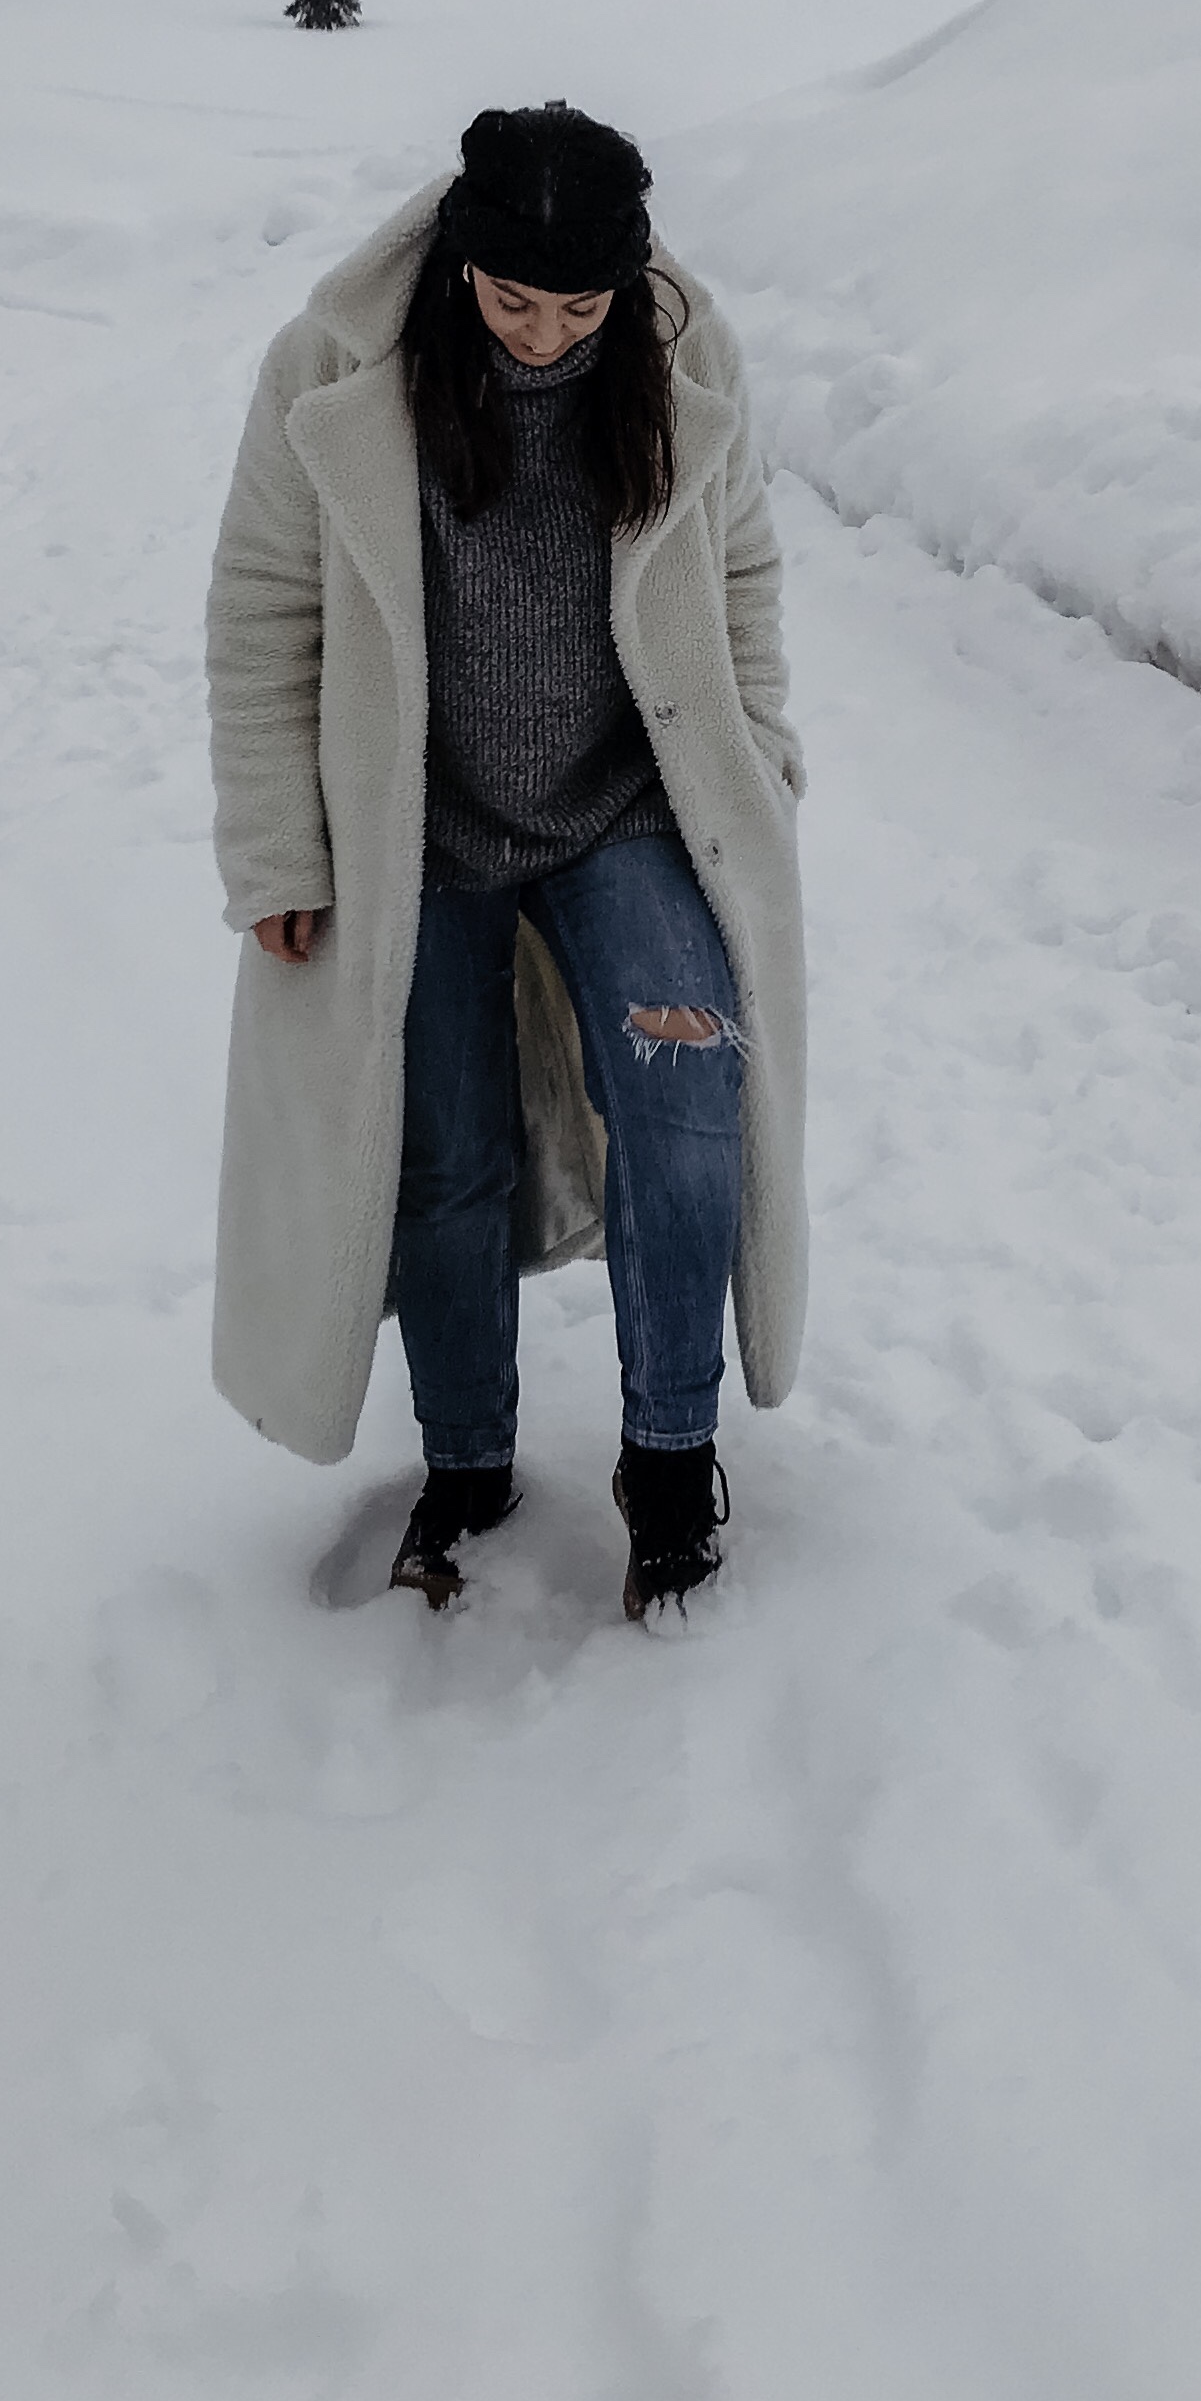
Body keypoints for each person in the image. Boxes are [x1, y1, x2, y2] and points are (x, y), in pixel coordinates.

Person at [203, 100, 808, 1619]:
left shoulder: (688, 360)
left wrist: (764, 753)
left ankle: (670, 1455)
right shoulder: (336, 371)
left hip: (631, 809)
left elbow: (740, 569)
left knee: (688, 1098)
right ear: (462, 261)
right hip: (419, 828)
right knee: (443, 1150)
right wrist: (278, 846)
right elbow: (264, 607)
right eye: (515, 300)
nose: (546, 337)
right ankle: (466, 1459)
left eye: (581, 308)